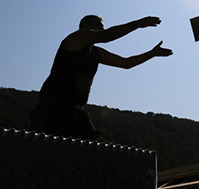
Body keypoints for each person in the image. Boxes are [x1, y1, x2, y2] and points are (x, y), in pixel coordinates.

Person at [30, 15, 173, 139]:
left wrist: (152, 53)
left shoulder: (96, 53)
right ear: (86, 26)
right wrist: (139, 23)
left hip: (76, 110)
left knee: (90, 151)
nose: (102, 29)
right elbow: (107, 36)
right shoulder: (75, 38)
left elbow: (126, 63)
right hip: (54, 107)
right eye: (99, 26)